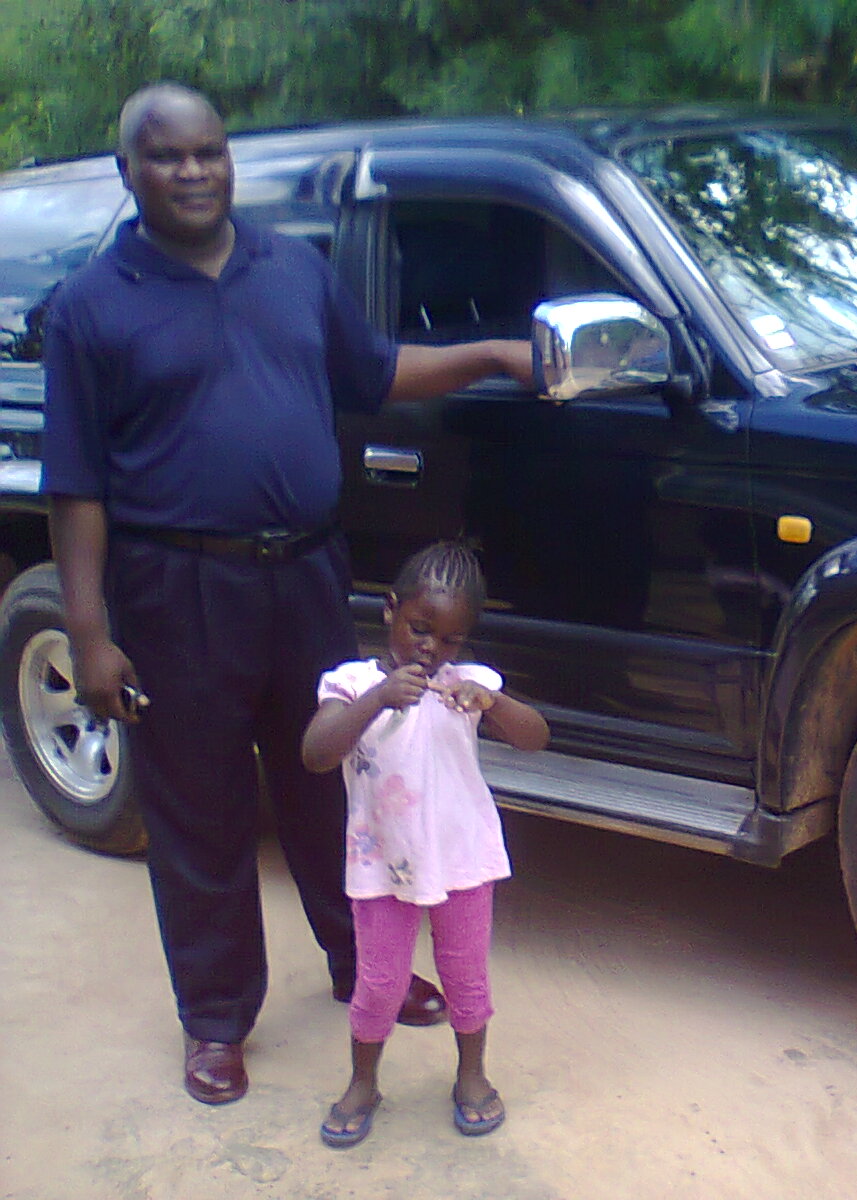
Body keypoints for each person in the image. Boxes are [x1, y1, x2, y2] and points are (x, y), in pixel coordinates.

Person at [41, 82, 537, 1106]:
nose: (193, 172)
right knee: (200, 808)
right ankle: (217, 1020)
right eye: (169, 156)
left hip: (306, 574)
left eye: (209, 153)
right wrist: (89, 633)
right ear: (129, 167)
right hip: (175, 588)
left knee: (334, 784)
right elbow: (76, 486)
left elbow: (379, 368)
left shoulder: (292, 270)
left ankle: (368, 970)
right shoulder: (94, 307)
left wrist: (491, 353)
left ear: (231, 160)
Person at [302, 540, 550, 1147]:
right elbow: (315, 753)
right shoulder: (352, 683)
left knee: (466, 974)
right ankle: (364, 1082)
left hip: (462, 860)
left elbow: (536, 736)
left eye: (449, 639)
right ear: (389, 610)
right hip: (383, 863)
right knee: (380, 981)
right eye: (419, 628)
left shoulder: (464, 684)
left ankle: (471, 1074)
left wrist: (491, 702)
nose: (431, 648)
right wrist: (376, 700)